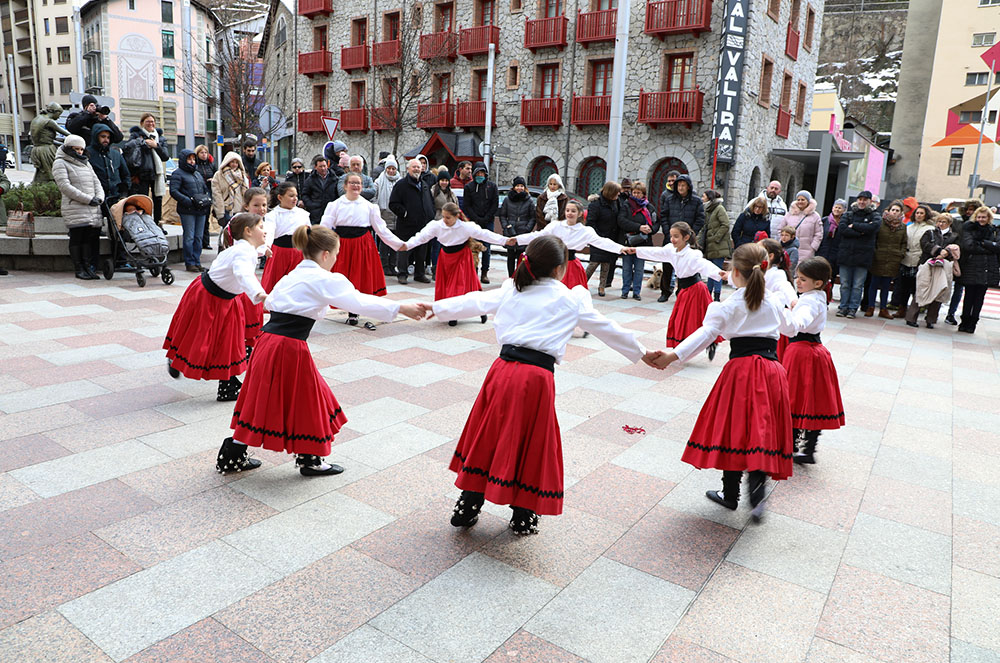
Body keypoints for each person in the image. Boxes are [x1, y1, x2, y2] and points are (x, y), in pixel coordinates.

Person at [434, 235, 662, 534]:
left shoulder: (512, 289)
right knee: (533, 442)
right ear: (559, 268)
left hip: (501, 371)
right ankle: (523, 513)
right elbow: (608, 329)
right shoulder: (570, 299)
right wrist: (643, 353)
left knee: (489, 433)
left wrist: (431, 308)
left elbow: (472, 301)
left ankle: (468, 503)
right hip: (536, 379)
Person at [223, 225, 425, 476]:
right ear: (326, 255)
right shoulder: (324, 279)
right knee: (307, 400)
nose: (336, 260)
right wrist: (400, 308)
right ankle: (309, 459)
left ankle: (236, 454)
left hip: (269, 341)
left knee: (264, 399)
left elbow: (273, 302)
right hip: (289, 346)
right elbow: (358, 300)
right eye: (336, 255)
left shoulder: (293, 274)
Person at [652, 242, 792, 521]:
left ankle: (731, 494)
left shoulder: (727, 305)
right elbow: (791, 328)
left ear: (736, 273)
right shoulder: (774, 301)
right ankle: (757, 484)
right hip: (772, 371)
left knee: (735, 427)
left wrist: (672, 355)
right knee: (762, 427)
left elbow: (705, 334)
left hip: (742, 371)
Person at [164, 213, 267, 401]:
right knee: (201, 336)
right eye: (261, 227)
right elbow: (244, 273)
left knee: (228, 341)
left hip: (224, 298)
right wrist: (259, 293)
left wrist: (264, 250)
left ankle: (227, 383)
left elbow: (245, 260)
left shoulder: (243, 248)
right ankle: (179, 359)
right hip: (209, 298)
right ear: (248, 231)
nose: (265, 231)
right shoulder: (243, 252)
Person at [778, 257, 844, 465]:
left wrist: (786, 314)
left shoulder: (809, 301)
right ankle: (807, 448)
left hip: (801, 352)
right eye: (797, 277)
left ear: (817, 283)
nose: (798, 281)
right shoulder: (817, 296)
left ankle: (791, 446)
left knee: (794, 398)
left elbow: (800, 321)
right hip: (814, 350)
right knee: (812, 400)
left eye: (803, 279)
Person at [321, 172, 405, 328]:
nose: (355, 186)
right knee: (344, 278)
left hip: (362, 245)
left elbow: (381, 229)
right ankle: (349, 309)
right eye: (352, 183)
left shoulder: (369, 206)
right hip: (342, 245)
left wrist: (399, 244)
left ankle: (356, 311)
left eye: (358, 183)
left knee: (361, 277)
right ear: (345, 186)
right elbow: (324, 228)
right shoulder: (335, 205)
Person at [401, 201, 506, 326]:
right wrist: (407, 245)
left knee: (461, 286)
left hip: (461, 257)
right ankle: (450, 312)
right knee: (448, 286)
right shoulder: (436, 225)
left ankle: (476, 312)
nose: (445, 220)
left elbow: (485, 235)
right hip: (445, 257)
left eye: (448, 217)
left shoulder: (466, 227)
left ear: (456, 216)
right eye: (443, 216)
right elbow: (421, 237)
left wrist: (505, 241)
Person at [633, 222, 725, 354]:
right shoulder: (671, 250)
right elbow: (656, 252)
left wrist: (720, 273)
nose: (672, 239)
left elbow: (704, 265)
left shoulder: (693, 254)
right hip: (684, 289)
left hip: (695, 290)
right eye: (671, 236)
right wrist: (636, 250)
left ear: (686, 238)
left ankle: (706, 343)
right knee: (681, 319)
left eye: (676, 236)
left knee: (696, 319)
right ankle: (683, 347)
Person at [509, 199, 626, 295]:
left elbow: (602, 242)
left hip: (572, 266)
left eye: (573, 211)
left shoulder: (585, 231)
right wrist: (518, 239)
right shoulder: (556, 226)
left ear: (580, 213)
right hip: (555, 263)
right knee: (552, 292)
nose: (569, 213)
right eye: (567, 210)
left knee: (573, 293)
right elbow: (538, 235)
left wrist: (621, 248)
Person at [53, 135, 104, 280]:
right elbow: (65, 186)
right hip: (75, 207)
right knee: (77, 238)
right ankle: (79, 268)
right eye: (76, 149)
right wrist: (88, 199)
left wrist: (99, 197)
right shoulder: (60, 162)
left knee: (87, 239)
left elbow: (96, 182)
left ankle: (87, 267)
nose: (80, 152)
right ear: (69, 148)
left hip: (92, 207)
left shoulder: (86, 163)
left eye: (82, 149)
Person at [658, 174, 705, 303]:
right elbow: (664, 216)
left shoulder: (696, 201)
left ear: (688, 187)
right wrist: (669, 233)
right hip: (671, 238)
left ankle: (682, 292)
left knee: (687, 266)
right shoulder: (669, 199)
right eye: (679, 185)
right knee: (667, 265)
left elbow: (700, 219)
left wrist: (689, 234)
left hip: (687, 240)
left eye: (683, 185)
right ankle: (665, 291)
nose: (681, 188)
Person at [835, 191, 881, 318]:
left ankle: (852, 308)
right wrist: (862, 231)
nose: (862, 202)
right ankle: (843, 307)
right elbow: (843, 229)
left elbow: (873, 228)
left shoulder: (875, 216)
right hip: (846, 254)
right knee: (845, 284)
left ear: (870, 202)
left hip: (863, 256)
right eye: (860, 199)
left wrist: (854, 226)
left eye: (865, 200)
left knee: (857, 285)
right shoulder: (848, 214)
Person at [909, 213, 959, 328]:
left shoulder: (954, 236)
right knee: (921, 289)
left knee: (939, 292)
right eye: (939, 221)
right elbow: (924, 244)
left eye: (943, 222)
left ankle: (931, 320)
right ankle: (911, 317)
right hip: (927, 264)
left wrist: (947, 253)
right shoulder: (930, 232)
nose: (940, 224)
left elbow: (956, 250)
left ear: (949, 224)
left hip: (943, 267)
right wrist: (938, 251)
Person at [389, 159, 436, 284]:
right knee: (404, 250)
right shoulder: (401, 185)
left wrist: (430, 215)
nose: (416, 169)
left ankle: (419, 274)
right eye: (414, 167)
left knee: (421, 251)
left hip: (422, 224)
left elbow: (430, 202)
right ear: (408, 169)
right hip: (406, 225)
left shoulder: (424, 185)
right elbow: (393, 203)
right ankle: (402, 274)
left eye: (418, 167)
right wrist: (404, 213)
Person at [956, 205, 1000, 334]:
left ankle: (973, 322)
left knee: (980, 297)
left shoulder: (994, 230)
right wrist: (989, 248)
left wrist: (982, 243)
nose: (981, 219)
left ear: (988, 218)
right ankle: (964, 321)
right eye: (979, 217)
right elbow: (969, 246)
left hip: (988, 267)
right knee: (969, 295)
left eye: (984, 217)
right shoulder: (969, 229)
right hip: (971, 266)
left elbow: (998, 247)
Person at [261, 181, 311, 292]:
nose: (295, 199)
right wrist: (267, 246)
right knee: (277, 282)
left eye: (296, 196)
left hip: (299, 252)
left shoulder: (303, 214)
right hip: (280, 253)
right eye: (291, 196)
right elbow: (269, 231)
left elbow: (309, 232)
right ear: (280, 197)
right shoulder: (273, 215)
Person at [170, 149, 214, 273]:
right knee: (189, 236)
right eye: (189, 159)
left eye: (193, 159)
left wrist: (206, 199)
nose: (192, 161)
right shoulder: (178, 174)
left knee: (198, 237)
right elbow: (174, 191)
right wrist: (188, 200)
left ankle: (197, 261)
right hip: (187, 210)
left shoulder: (197, 173)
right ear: (184, 160)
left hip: (200, 209)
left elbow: (204, 188)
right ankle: (189, 262)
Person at [892, 203, 935, 319]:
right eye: (917, 213)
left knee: (916, 288)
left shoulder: (930, 229)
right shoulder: (909, 226)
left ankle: (914, 311)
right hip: (905, 259)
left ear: (926, 215)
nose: (919, 215)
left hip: (919, 260)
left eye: (921, 213)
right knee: (903, 287)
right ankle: (901, 309)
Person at [617, 180, 658, 301]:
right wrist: (638, 227)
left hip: (643, 243)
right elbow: (622, 221)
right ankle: (625, 290)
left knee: (639, 269)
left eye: (638, 193)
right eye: (634, 192)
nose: (636, 195)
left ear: (643, 193)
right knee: (627, 267)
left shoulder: (649, 207)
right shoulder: (626, 205)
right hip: (628, 241)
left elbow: (656, 222)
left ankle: (636, 292)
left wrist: (650, 229)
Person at [865, 200, 906, 319]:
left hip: (893, 259)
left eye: (897, 210)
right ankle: (870, 307)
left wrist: (900, 254)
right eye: (893, 210)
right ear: (888, 211)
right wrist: (875, 252)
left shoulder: (902, 227)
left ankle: (883, 308)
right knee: (873, 284)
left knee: (886, 286)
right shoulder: (881, 223)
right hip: (878, 258)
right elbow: (874, 239)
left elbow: (904, 242)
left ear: (901, 213)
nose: (894, 212)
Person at [585, 180, 627, 296]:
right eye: (616, 192)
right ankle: (582, 283)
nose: (618, 194)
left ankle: (602, 287)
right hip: (598, 238)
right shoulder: (596, 204)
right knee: (594, 263)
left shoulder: (616, 202)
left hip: (611, 238)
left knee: (606, 264)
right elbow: (590, 223)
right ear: (610, 192)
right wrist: (598, 237)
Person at [127, 113, 170, 223]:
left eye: (152, 121)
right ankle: (144, 223)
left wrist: (156, 146)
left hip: (157, 173)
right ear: (142, 123)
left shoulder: (160, 138)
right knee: (143, 200)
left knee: (158, 199)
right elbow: (129, 149)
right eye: (148, 121)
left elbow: (165, 156)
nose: (151, 124)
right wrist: (142, 142)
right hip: (142, 173)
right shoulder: (136, 136)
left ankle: (157, 224)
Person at [462, 162, 499, 284]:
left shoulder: (492, 187)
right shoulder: (469, 187)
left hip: (488, 221)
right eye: (477, 173)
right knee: (473, 248)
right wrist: (476, 219)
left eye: (482, 173)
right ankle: (474, 271)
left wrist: (486, 218)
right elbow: (467, 206)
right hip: (474, 221)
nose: (480, 175)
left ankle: (484, 273)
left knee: (486, 248)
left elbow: (494, 204)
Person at [86, 122, 130, 209]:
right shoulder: (87, 153)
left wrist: (123, 193)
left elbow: (126, 175)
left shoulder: (116, 154)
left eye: (108, 137)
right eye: (103, 136)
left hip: (115, 199)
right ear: (96, 136)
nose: (106, 139)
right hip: (96, 199)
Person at [499, 176, 536, 276]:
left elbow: (533, 217)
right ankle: (511, 277)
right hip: (510, 231)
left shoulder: (529, 200)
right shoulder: (507, 200)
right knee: (510, 256)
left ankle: (520, 276)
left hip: (523, 231)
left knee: (522, 256)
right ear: (514, 187)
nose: (519, 188)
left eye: (521, 186)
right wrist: (505, 226)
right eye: (517, 186)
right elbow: (502, 215)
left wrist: (528, 228)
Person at [701, 189, 732, 301]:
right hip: (710, 246)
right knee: (711, 271)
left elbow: (725, 224)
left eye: (703, 196)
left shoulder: (719, 208)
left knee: (718, 272)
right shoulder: (707, 210)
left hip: (718, 246)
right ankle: (708, 294)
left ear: (709, 198)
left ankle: (717, 296)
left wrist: (716, 238)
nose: (702, 198)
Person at [374, 155, 402, 275]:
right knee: (385, 242)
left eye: (393, 169)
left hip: (396, 216)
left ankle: (392, 264)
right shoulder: (379, 181)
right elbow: (374, 197)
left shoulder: (400, 181)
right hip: (384, 215)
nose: (391, 171)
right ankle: (384, 265)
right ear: (385, 169)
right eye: (389, 168)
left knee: (395, 242)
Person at [29, 102, 70, 184]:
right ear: (55, 112)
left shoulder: (37, 118)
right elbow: (67, 134)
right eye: (59, 114)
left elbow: (45, 138)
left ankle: (39, 190)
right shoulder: (49, 121)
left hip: (37, 149)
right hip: (47, 150)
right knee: (54, 173)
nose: (59, 117)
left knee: (42, 173)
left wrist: (61, 144)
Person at [211, 152, 250, 235]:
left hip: (240, 209)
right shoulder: (219, 175)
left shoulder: (242, 175)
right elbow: (216, 194)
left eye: (236, 162)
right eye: (232, 162)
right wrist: (220, 214)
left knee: (240, 234)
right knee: (227, 233)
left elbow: (246, 192)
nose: (234, 164)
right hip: (226, 209)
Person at [429, 168, 458, 276]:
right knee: (436, 247)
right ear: (438, 181)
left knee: (447, 247)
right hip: (438, 220)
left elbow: (456, 206)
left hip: (450, 223)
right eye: (442, 180)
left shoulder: (451, 193)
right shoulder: (433, 191)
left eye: (446, 180)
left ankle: (446, 268)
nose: (444, 183)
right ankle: (435, 269)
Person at [817, 198, 845, 302]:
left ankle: (828, 295)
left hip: (836, 252)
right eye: (836, 207)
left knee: (831, 276)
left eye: (840, 208)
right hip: (823, 251)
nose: (837, 209)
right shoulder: (825, 220)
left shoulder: (844, 222)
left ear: (844, 210)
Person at [783, 191, 823, 261]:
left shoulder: (815, 216)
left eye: (803, 200)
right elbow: (781, 229)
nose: (800, 202)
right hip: (789, 248)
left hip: (807, 250)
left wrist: (813, 247)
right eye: (798, 199)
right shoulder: (789, 214)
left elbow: (819, 233)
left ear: (808, 201)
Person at [300, 156, 339, 225]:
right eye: (320, 166)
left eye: (324, 166)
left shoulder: (334, 178)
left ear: (327, 166)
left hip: (331, 213)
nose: (323, 168)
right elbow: (305, 194)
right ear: (315, 167)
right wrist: (311, 205)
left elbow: (337, 194)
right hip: (315, 214)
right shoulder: (310, 180)